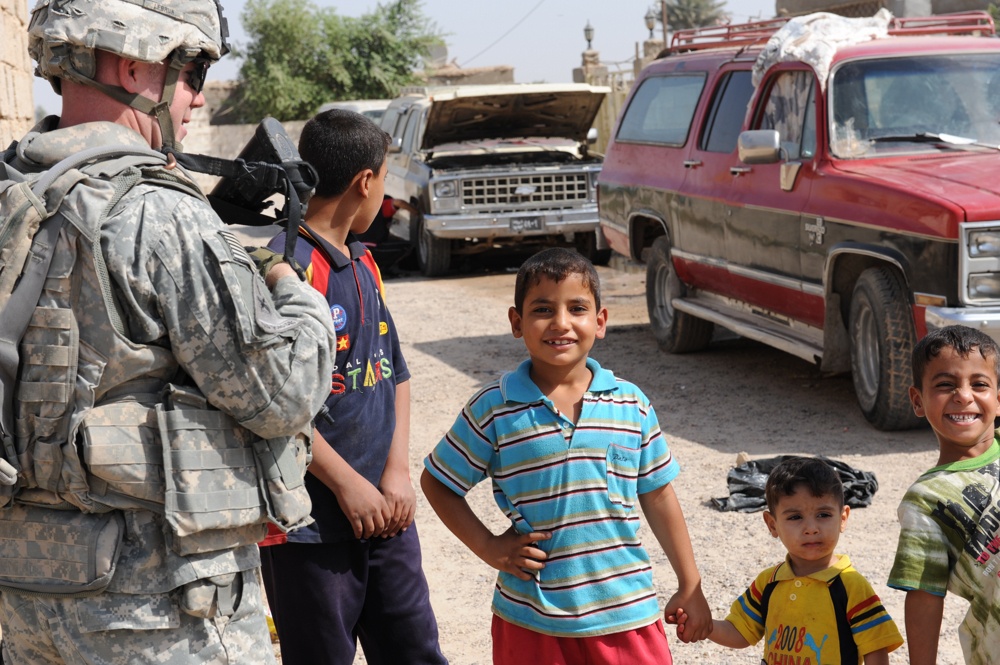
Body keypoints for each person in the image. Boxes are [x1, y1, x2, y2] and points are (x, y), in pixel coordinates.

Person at [0, 1, 337, 664]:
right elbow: (280, 395)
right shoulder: (160, 213)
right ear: (134, 64)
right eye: (192, 71)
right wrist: (294, 293)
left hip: (28, 600)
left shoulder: (14, 195)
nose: (197, 97)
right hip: (157, 614)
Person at [420, 247, 712, 665]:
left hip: (627, 614)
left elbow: (659, 495)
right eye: (542, 309)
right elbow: (438, 482)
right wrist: (488, 546)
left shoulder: (631, 404)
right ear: (516, 323)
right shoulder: (494, 408)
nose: (561, 323)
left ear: (600, 321)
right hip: (531, 621)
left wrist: (690, 584)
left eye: (577, 308)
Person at [259, 109, 447, 665]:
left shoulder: (366, 264)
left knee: (415, 651)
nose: (384, 195)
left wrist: (394, 473)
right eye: (384, 180)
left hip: (386, 517)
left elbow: (395, 375)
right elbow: (273, 407)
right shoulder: (286, 270)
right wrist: (346, 485)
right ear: (366, 181)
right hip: (309, 530)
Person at [708, 457, 902, 664]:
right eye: (795, 517)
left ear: (843, 518)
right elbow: (740, 632)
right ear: (772, 525)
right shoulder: (769, 583)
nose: (811, 528)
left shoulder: (851, 586)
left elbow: (876, 649)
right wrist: (704, 626)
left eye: (824, 514)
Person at [888, 324, 1000, 665]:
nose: (963, 395)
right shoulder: (926, 499)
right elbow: (924, 593)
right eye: (945, 385)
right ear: (918, 401)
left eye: (979, 384)